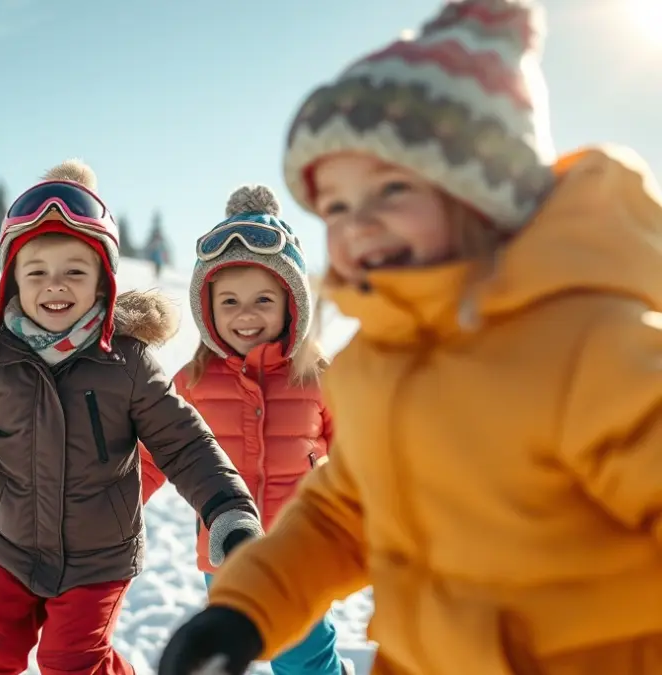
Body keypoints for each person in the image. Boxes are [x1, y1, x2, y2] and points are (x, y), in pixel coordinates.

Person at [157, 1, 662, 674]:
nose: (358, 223)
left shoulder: (589, 345)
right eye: (336, 205)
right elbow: (342, 516)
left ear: (482, 194)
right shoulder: (381, 367)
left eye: (391, 188)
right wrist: (247, 606)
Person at [0, 159, 263, 675]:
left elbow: (184, 443)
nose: (55, 286)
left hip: (99, 559)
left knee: (71, 661)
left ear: (102, 282)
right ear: (12, 281)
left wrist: (226, 507)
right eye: (37, 272)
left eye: (75, 270)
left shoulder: (127, 363)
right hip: (11, 551)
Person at [139, 185, 348, 675]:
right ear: (207, 307)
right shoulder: (191, 382)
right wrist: (110, 503)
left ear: (291, 303)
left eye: (262, 299)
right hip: (224, 554)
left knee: (304, 657)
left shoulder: (319, 377)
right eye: (229, 300)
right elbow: (152, 456)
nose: (246, 314)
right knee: (227, 652)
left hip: (300, 554)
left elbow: (361, 454)